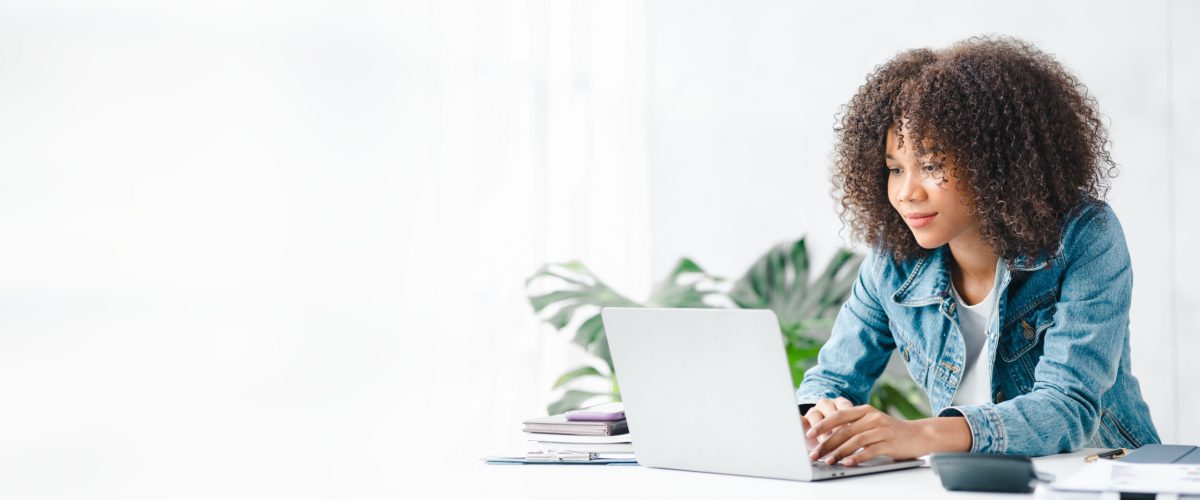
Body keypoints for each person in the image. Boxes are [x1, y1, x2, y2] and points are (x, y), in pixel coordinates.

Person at [795, 35, 1160, 466]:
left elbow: (1068, 407)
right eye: (895, 169)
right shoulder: (893, 257)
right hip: (974, 483)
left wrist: (917, 435)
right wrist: (819, 416)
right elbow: (832, 379)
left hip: (1101, 474)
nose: (907, 192)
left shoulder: (1084, 236)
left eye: (931, 166)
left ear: (995, 164)